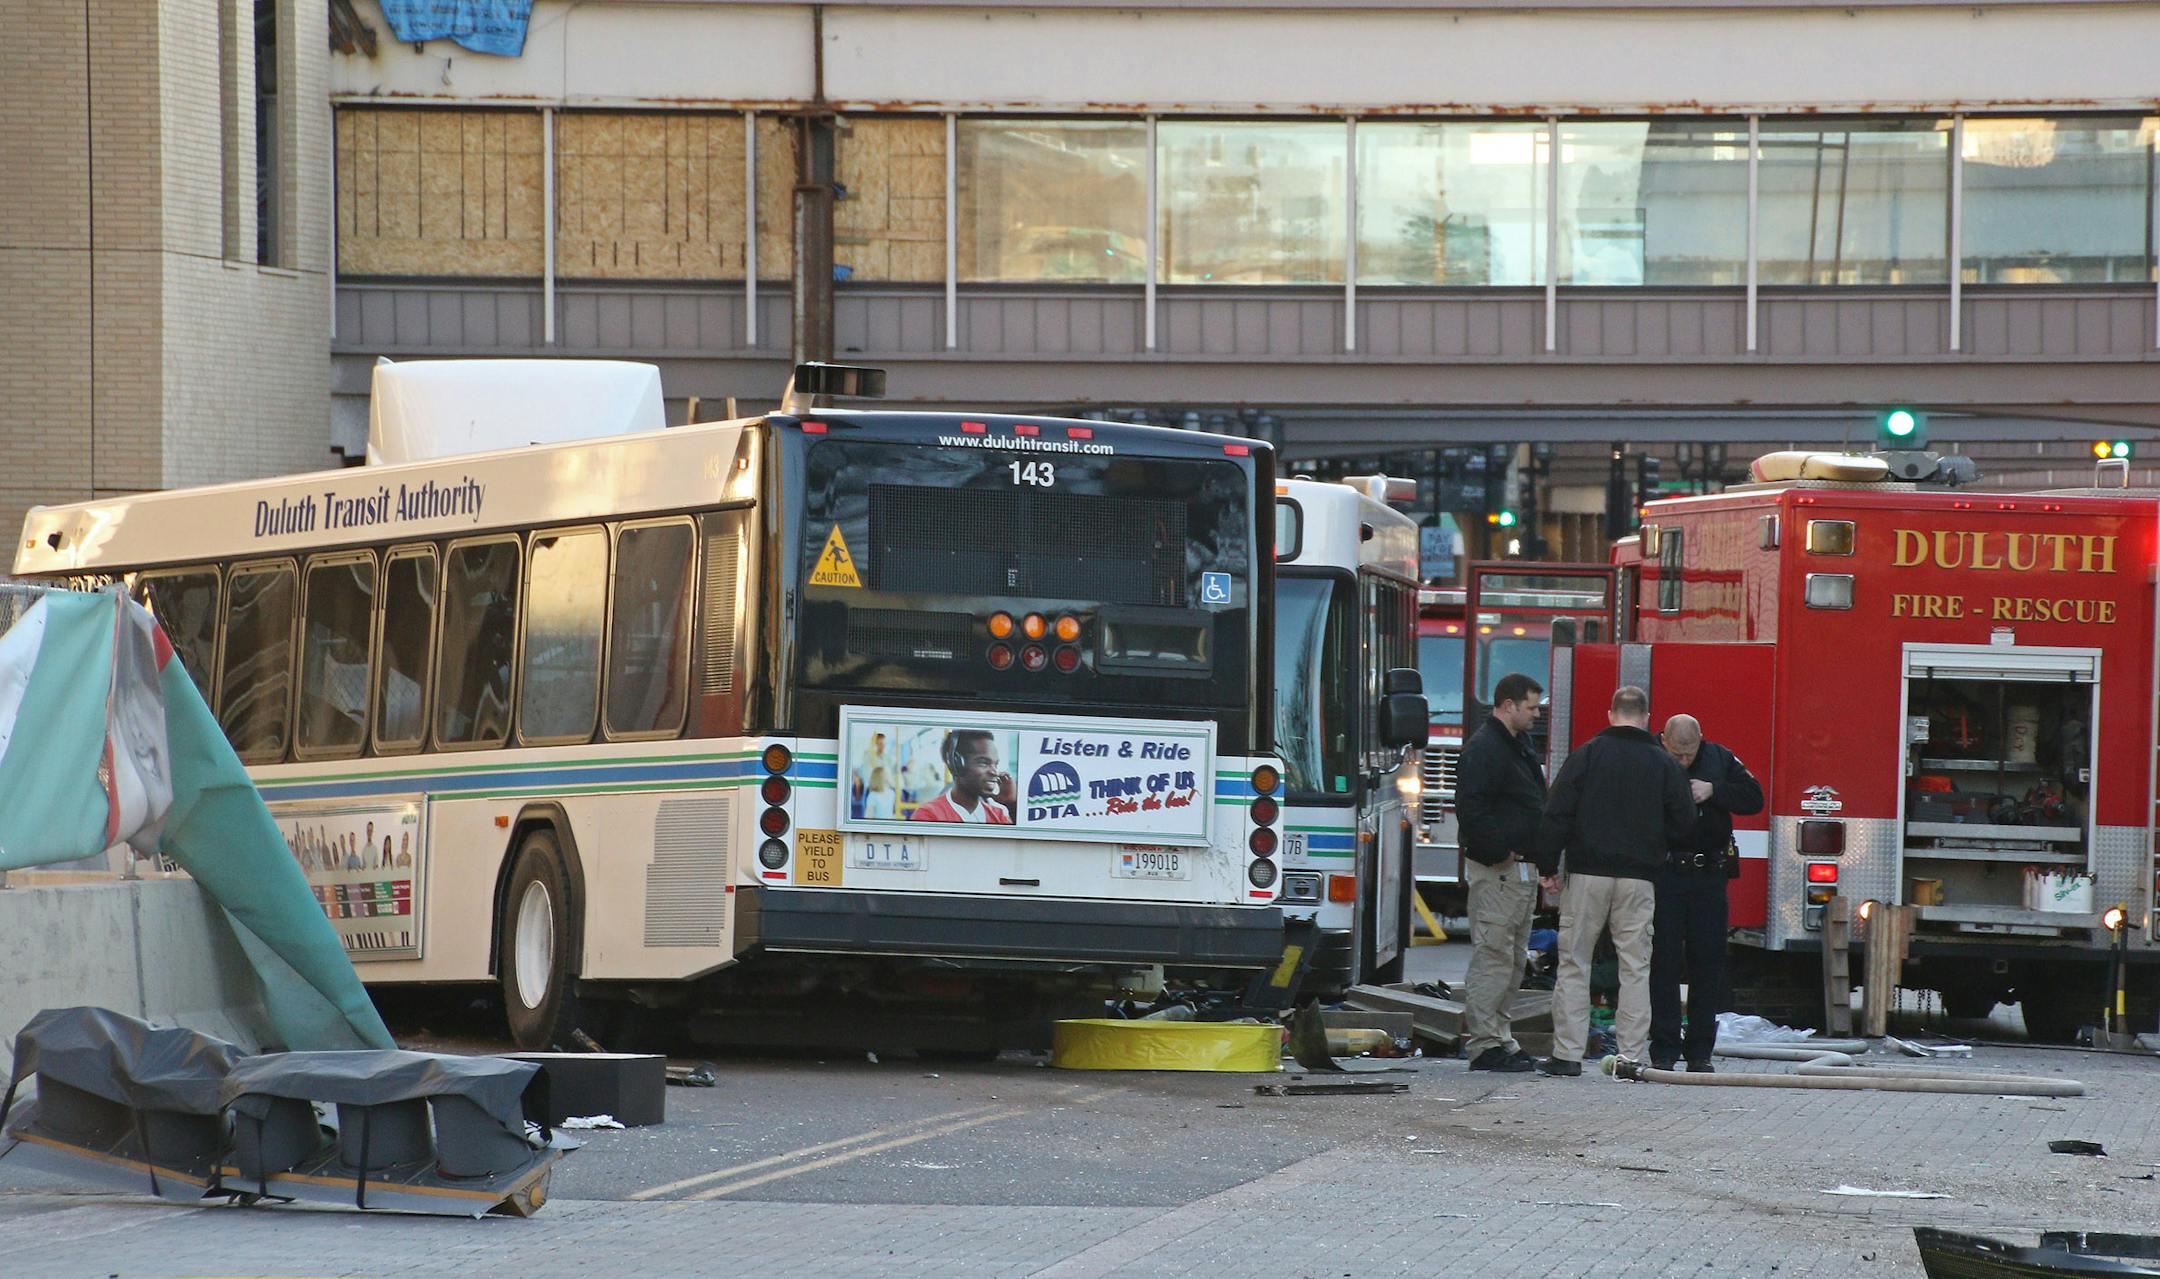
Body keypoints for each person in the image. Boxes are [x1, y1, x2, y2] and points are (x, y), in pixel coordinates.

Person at [1534, 685, 1694, 1077]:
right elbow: (1685, 824)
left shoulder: (1585, 756)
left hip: (1587, 874)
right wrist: (1658, 847)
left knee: (1575, 962)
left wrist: (1548, 866)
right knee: (1635, 966)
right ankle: (1630, 1058)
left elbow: (1557, 812)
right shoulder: (1664, 764)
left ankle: (1568, 1054)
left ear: (1610, 714)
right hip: (1639, 879)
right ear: (1646, 718)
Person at [1651, 714, 1764, 1072]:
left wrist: (1714, 791)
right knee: (1663, 963)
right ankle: (1664, 1048)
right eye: (1677, 754)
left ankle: (1700, 1051)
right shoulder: (1651, 758)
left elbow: (1754, 798)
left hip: (1709, 875)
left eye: (1689, 753)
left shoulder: (1720, 758)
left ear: (1701, 737)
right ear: (1663, 740)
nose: (1683, 761)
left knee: (1707, 964)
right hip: (1666, 874)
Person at [1453, 672, 1548, 1073]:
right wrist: (1500, 853)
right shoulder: (1486, 749)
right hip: (1500, 871)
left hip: (1518, 870)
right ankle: (1485, 1043)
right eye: (1530, 707)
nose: (1536, 715)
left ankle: (1500, 1036)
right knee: (1494, 954)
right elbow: (1471, 808)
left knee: (1511, 959)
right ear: (1508, 705)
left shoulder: (1514, 745)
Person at [908, 729, 1015, 824]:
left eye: (995, 764)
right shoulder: (928, 815)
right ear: (957, 764)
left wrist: (1012, 805)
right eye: (984, 763)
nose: (994, 772)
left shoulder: (999, 816)